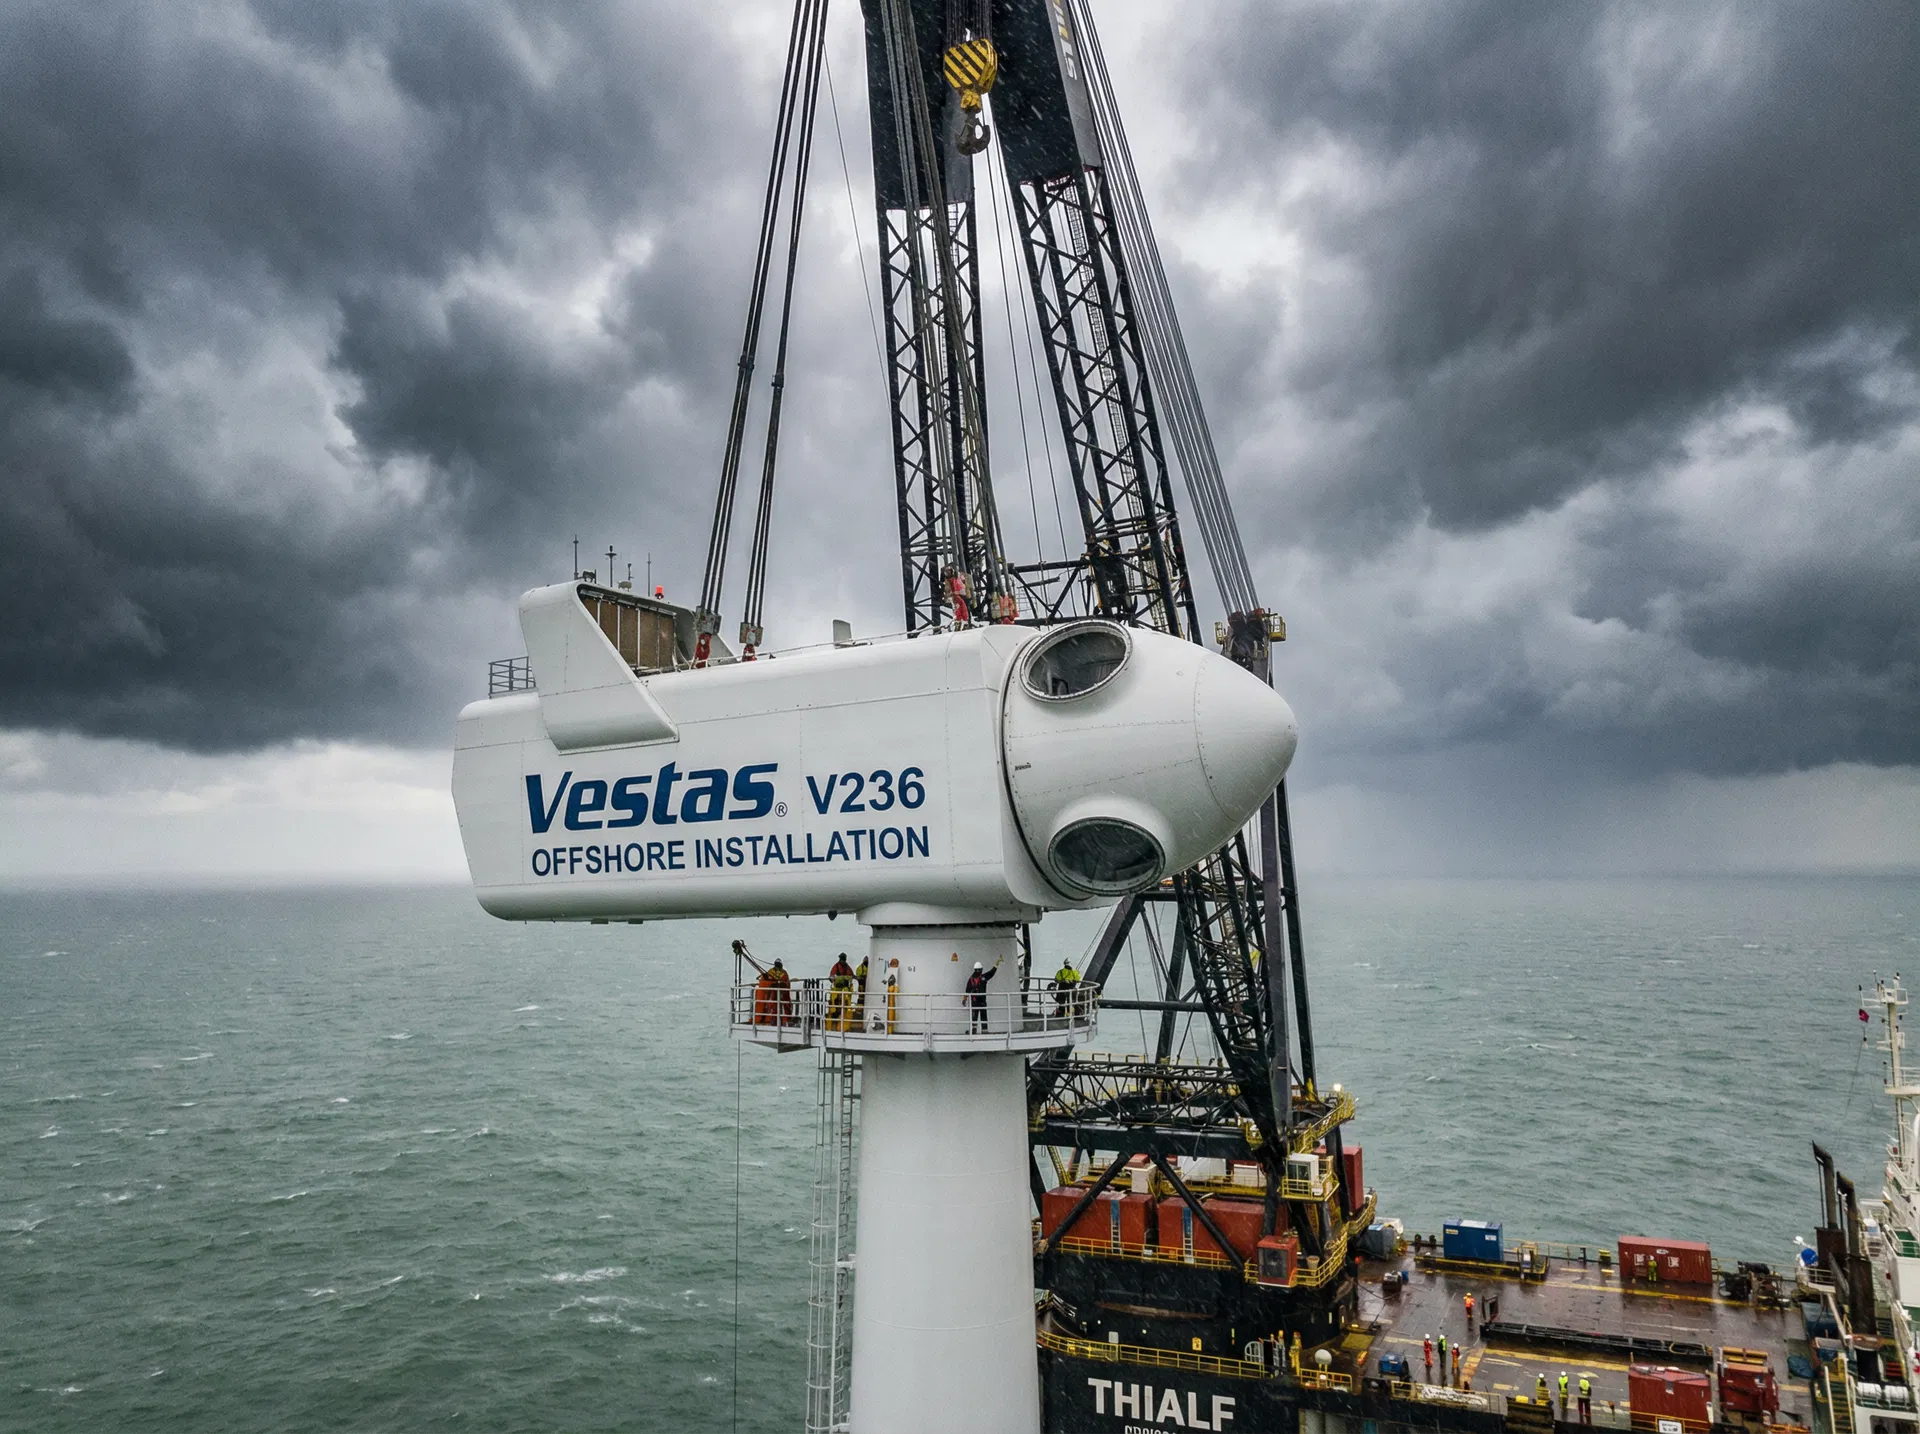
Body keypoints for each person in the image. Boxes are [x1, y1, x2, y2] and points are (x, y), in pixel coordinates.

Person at [966, 957, 1002, 1032]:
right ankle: (984, 1031)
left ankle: (974, 1031)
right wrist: (996, 964)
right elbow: (991, 973)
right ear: (981, 969)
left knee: (974, 1016)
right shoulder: (983, 977)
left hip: (974, 1001)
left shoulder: (971, 979)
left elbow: (967, 989)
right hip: (982, 1001)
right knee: (983, 1016)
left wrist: (964, 999)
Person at [827, 953, 856, 1031]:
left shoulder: (847, 967)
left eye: (843, 958)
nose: (843, 960)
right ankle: (835, 1022)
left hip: (844, 990)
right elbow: (831, 976)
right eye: (842, 958)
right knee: (835, 1007)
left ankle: (839, 1022)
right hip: (837, 991)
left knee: (845, 1005)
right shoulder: (836, 966)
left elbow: (851, 975)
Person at [767, 958, 792, 1025]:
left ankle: (787, 1019)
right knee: (774, 1006)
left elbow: (786, 982)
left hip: (783, 992)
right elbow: (767, 980)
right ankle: (774, 1020)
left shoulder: (783, 973)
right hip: (774, 992)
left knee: (786, 1005)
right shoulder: (771, 972)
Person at [853, 954, 869, 1025]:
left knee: (863, 1000)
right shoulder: (860, 968)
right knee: (861, 1000)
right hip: (862, 985)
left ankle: (860, 1012)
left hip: (866, 985)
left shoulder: (864, 967)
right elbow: (858, 977)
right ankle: (859, 1013)